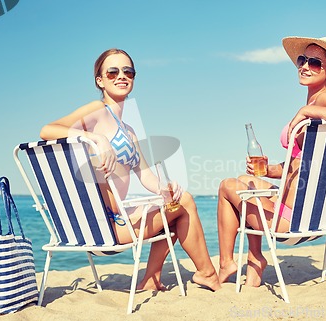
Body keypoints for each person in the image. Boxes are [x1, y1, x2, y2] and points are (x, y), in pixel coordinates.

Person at [40, 48, 221, 291]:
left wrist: (165, 188)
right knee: (185, 204)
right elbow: (47, 130)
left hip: (112, 223)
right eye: (112, 72)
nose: (121, 76)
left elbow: (146, 175)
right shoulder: (97, 110)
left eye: (128, 71)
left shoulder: (129, 130)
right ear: (100, 80)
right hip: (104, 228)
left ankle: (152, 280)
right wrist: (95, 140)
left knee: (176, 201)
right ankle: (207, 274)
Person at [217, 36, 326, 287]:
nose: (305, 66)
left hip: (294, 221)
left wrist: (309, 111)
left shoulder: (325, 102)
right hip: (310, 212)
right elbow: (302, 165)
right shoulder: (317, 104)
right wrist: (270, 170)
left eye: (315, 63)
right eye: (302, 60)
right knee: (247, 180)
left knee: (227, 186)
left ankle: (231, 262)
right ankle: (254, 261)